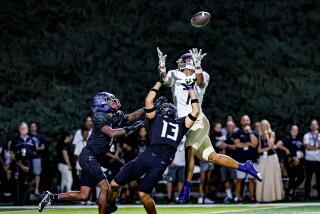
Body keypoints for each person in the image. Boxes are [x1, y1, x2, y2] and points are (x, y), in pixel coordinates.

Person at [157, 48, 262, 203]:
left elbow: (200, 82)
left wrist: (198, 67)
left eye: (185, 62)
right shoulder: (175, 74)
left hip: (198, 119)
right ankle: (245, 167)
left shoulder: (202, 74)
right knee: (212, 157)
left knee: (189, 149)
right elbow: (165, 81)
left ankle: (186, 189)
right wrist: (162, 68)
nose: (182, 64)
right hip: (183, 122)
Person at [39, 92, 145, 214]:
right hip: (89, 157)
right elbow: (111, 133)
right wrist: (130, 128)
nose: (113, 102)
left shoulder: (114, 116)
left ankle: (51, 196)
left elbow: (131, 116)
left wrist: (147, 109)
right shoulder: (99, 117)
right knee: (105, 187)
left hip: (94, 158)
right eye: (109, 100)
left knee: (84, 195)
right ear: (101, 104)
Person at [107, 81, 199, 214]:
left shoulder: (156, 118)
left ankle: (111, 203)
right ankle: (112, 204)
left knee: (126, 188)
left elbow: (148, 100)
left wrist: (159, 83)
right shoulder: (181, 123)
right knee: (135, 191)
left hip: (152, 159)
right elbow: (196, 110)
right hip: (156, 160)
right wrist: (191, 89)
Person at [9, 122, 36, 205]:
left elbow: (34, 151)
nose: (24, 130)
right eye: (22, 128)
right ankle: (19, 200)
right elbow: (11, 151)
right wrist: (18, 161)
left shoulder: (31, 139)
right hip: (19, 163)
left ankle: (26, 199)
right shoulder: (16, 139)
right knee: (19, 182)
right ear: (19, 129)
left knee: (29, 182)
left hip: (29, 162)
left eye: (25, 128)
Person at [256, 120, 283, 202]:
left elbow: (270, 144)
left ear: (268, 125)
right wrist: (267, 148)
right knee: (261, 177)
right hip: (263, 158)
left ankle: (274, 198)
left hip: (272, 158)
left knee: (271, 177)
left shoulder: (272, 133)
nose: (264, 126)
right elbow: (259, 150)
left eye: (265, 125)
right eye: (262, 125)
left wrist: (267, 135)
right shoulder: (259, 135)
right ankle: (261, 198)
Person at [233, 115, 259, 203]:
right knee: (239, 180)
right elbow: (237, 144)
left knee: (252, 179)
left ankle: (252, 197)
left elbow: (255, 144)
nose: (246, 122)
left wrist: (250, 132)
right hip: (240, 160)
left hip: (252, 160)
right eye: (244, 120)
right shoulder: (237, 132)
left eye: (247, 120)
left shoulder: (254, 132)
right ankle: (238, 197)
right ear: (241, 122)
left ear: (250, 122)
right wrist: (248, 143)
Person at [276, 125, 304, 201]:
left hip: (298, 161)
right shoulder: (287, 138)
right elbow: (278, 145)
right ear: (291, 130)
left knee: (302, 176)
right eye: (293, 130)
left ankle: (290, 190)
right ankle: (289, 195)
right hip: (290, 162)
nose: (295, 131)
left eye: (296, 130)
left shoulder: (299, 139)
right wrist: (286, 149)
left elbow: (301, 149)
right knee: (292, 178)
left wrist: (302, 154)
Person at [219, 121, 237, 203]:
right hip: (224, 161)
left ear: (234, 127)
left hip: (233, 161)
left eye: (231, 126)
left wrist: (227, 146)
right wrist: (222, 147)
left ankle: (237, 196)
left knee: (234, 179)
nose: (229, 128)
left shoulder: (236, 136)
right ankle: (229, 196)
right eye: (228, 126)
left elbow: (236, 147)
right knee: (225, 179)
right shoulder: (224, 137)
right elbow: (221, 148)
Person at [303, 119, 320, 200]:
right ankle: (306, 196)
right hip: (309, 160)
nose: (314, 126)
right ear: (310, 126)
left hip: (318, 160)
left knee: (319, 179)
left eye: (315, 124)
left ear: (318, 126)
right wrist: (317, 147)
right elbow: (307, 147)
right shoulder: (306, 135)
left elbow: (310, 147)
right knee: (308, 179)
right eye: (312, 124)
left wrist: (314, 146)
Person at [29, 122, 46, 195]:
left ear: (36, 128)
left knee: (37, 173)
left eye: (34, 126)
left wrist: (36, 148)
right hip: (28, 157)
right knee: (27, 174)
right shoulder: (27, 136)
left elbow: (43, 147)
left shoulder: (40, 136)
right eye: (31, 126)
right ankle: (28, 189)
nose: (33, 128)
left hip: (37, 157)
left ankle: (36, 189)